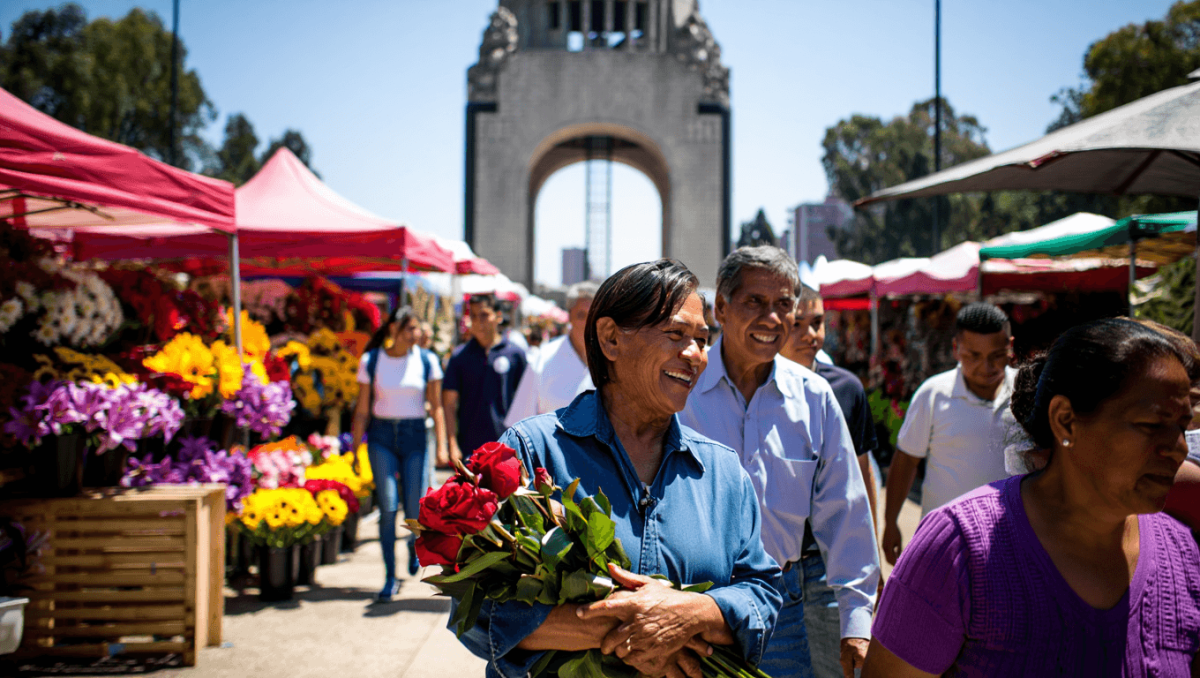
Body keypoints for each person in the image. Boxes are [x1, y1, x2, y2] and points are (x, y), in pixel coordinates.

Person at [459, 259, 783, 678]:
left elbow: (763, 594)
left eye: (703, 340)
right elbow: (475, 610)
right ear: (611, 339)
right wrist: (633, 623)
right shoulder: (530, 452)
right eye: (675, 334)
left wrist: (696, 612)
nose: (695, 356)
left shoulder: (721, 472)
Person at [863, 318, 1200, 676]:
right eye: (1151, 425)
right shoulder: (956, 549)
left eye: (1182, 425)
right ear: (1065, 421)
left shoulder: (1184, 557)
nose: (1178, 449)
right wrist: (889, 525)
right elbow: (905, 460)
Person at [679, 246, 879, 678]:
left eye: (783, 304)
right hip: (693, 604)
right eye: (755, 302)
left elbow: (844, 512)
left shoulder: (814, 398)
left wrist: (857, 621)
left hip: (781, 609)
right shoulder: (680, 390)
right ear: (721, 309)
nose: (772, 318)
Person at [779, 282, 880, 678]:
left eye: (817, 322)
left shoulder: (845, 389)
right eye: (798, 323)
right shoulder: (745, 392)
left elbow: (860, 476)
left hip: (826, 569)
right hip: (767, 573)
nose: (810, 334)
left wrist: (868, 558)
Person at [881, 302, 1016, 566]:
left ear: (1010, 347)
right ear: (956, 349)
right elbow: (907, 459)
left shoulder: (1028, 394)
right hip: (946, 546)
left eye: (997, 355)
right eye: (973, 356)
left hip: (1011, 545)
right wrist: (890, 522)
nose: (986, 366)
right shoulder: (933, 394)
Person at [349, 306, 448, 601]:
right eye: (410, 328)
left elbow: (437, 406)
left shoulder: (428, 361)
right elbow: (362, 408)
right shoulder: (373, 360)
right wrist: (354, 450)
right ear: (394, 329)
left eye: (417, 328)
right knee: (388, 507)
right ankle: (389, 576)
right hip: (381, 436)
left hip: (415, 436)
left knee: (413, 510)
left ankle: (411, 546)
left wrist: (441, 445)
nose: (416, 334)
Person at [443, 293, 527, 463]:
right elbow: (449, 404)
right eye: (473, 316)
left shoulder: (515, 354)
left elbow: (527, 401)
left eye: (484, 314)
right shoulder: (460, 356)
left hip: (508, 447)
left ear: (498, 316)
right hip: (470, 449)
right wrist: (451, 444)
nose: (478, 321)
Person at [504, 281, 598, 426]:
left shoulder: (613, 360)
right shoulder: (542, 359)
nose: (588, 322)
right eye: (581, 315)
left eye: (594, 315)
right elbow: (520, 423)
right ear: (569, 316)